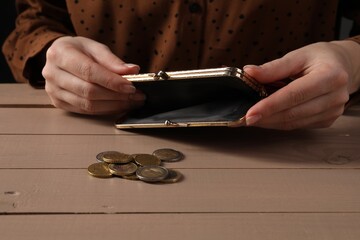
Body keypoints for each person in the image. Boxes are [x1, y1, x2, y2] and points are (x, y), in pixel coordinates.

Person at [3, 0, 360, 130]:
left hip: (298, 151)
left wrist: (352, 60)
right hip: (92, 137)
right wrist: (52, 50)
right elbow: (34, 22)